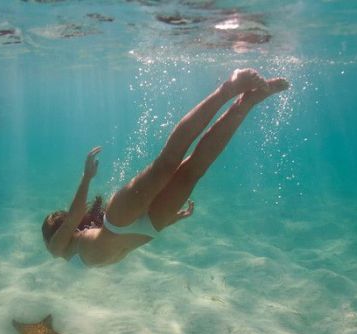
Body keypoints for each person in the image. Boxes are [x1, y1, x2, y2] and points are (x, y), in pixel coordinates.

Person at [42, 68, 289, 267]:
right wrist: (174, 219)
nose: (65, 224)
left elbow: (74, 216)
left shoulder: (56, 249)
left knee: (168, 163)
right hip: (150, 228)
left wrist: (86, 178)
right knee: (194, 169)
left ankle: (229, 89)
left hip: (118, 221)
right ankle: (248, 101)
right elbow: (81, 223)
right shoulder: (70, 244)